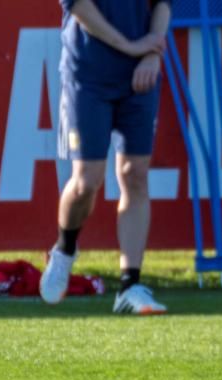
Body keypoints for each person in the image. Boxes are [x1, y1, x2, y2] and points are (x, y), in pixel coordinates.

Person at [40, 0, 172, 314]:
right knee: (87, 180)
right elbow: (80, 8)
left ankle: (130, 285)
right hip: (87, 77)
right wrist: (131, 46)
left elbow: (162, 5)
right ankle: (64, 249)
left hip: (139, 73)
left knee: (135, 173)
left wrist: (151, 52)